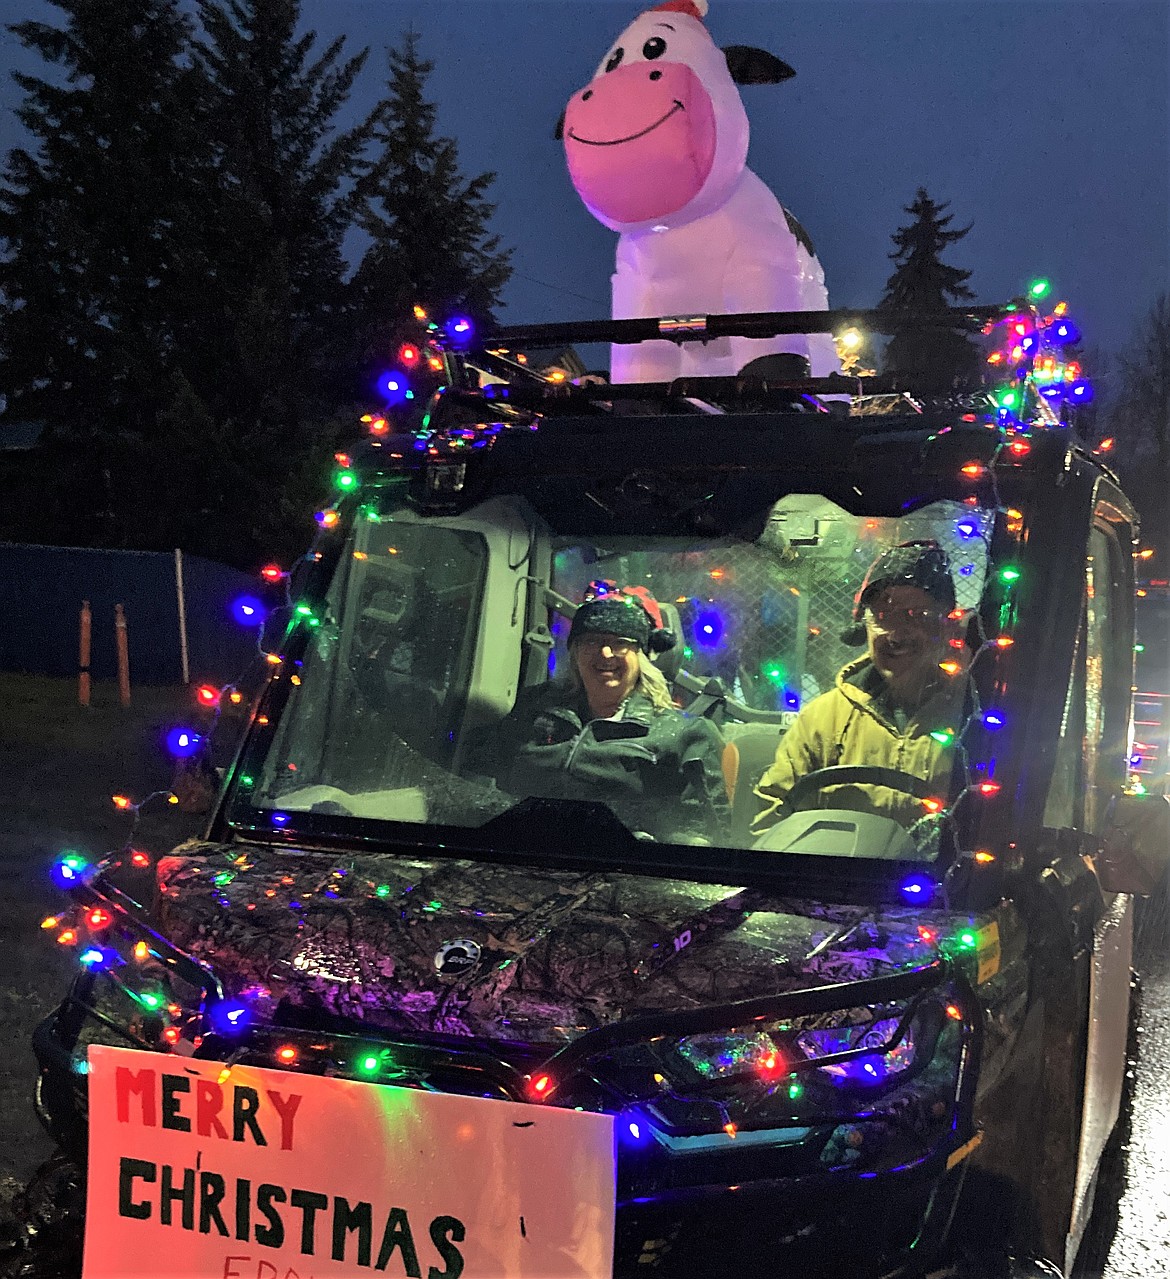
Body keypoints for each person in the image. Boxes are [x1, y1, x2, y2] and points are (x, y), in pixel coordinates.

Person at [470, 581, 729, 843]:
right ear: (575, 653)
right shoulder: (534, 707)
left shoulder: (684, 733)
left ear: (641, 656)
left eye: (619, 643)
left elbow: (705, 835)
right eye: (592, 641)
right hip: (518, 851)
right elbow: (483, 779)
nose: (605, 653)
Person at [752, 540, 971, 832]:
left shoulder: (970, 719)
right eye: (884, 615)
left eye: (918, 616)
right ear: (863, 626)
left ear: (944, 628)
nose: (896, 635)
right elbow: (770, 823)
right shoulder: (823, 719)